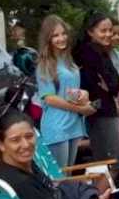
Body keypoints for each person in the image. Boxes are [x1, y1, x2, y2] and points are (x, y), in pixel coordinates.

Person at [36, 15, 94, 168]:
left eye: (63, 33)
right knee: (60, 178)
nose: (61, 38)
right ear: (48, 38)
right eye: (55, 35)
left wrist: (84, 95)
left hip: (73, 124)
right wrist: (81, 109)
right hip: (57, 127)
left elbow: (68, 91)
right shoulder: (45, 64)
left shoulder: (68, 60)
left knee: (68, 176)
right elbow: (49, 98)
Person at [73, 11, 119, 166]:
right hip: (101, 113)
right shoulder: (91, 52)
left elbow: (115, 84)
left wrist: (112, 87)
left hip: (103, 110)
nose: (108, 35)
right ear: (90, 31)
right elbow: (113, 85)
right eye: (103, 31)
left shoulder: (101, 51)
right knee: (111, 163)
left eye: (110, 31)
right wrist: (110, 89)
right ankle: (98, 191)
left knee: (107, 163)